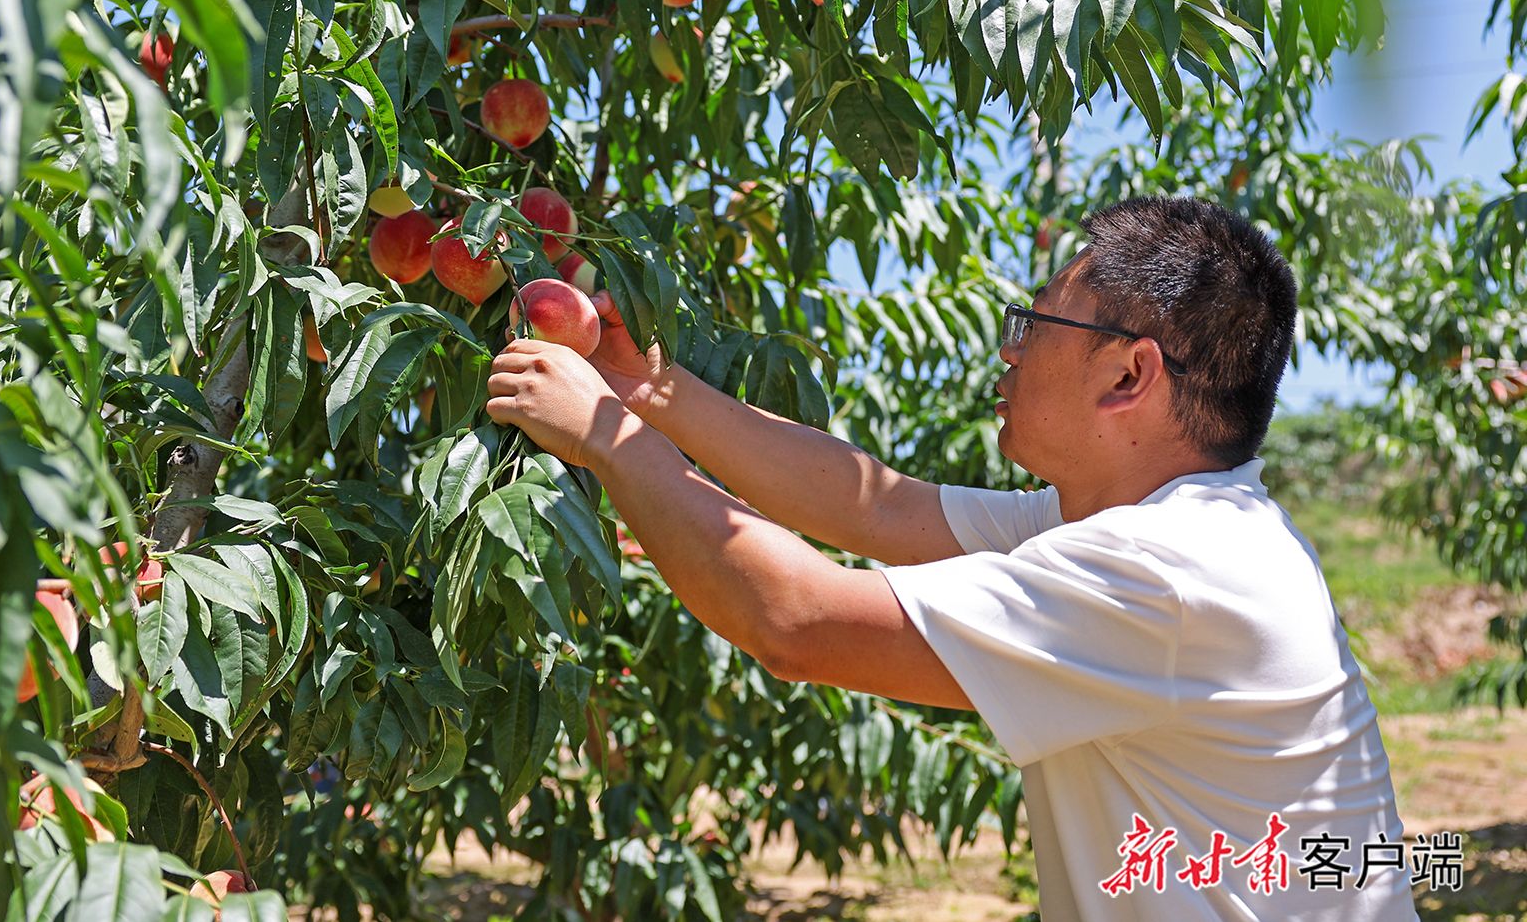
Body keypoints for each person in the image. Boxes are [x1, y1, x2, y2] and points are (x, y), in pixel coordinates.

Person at [485, 196, 1418, 920]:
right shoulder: (1152, 524)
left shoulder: (1168, 568)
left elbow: (797, 623)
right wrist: (651, 389)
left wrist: (607, 437)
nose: (1008, 352)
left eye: (1035, 325)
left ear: (1129, 372)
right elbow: (879, 505)